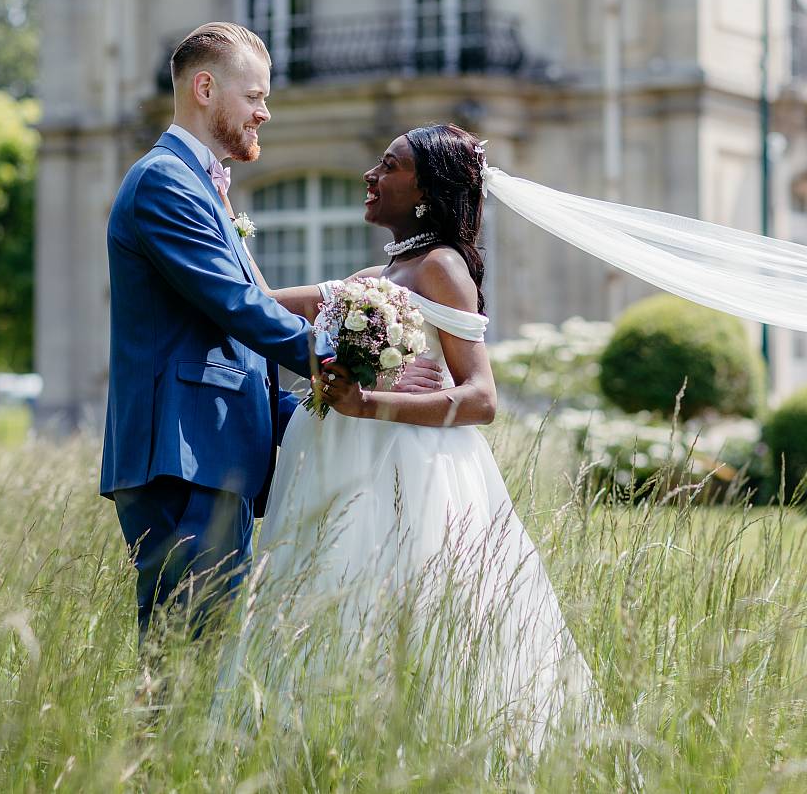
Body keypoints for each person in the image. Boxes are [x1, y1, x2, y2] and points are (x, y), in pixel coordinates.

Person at [225, 124, 597, 748]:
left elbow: (482, 398)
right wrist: (229, 221)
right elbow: (258, 303)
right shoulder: (383, 272)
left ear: (424, 191)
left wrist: (370, 402)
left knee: (405, 612)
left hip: (409, 470)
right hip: (341, 463)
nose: (371, 174)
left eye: (389, 166)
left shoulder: (442, 267)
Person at [101, 22, 442, 646]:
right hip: (182, 453)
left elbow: (233, 321)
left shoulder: (202, 183)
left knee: (207, 657)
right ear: (205, 88)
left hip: (214, 450)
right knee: (186, 660)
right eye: (254, 95)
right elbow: (238, 306)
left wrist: (325, 409)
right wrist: (367, 366)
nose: (266, 111)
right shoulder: (165, 183)